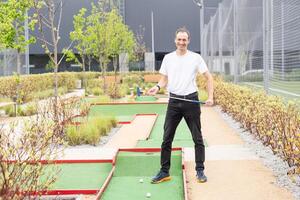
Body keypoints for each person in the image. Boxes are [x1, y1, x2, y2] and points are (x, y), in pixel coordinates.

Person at [147, 27, 214, 184]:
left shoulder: (196, 58)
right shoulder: (168, 58)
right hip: (174, 103)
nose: (182, 42)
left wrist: (210, 97)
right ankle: (164, 171)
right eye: (179, 39)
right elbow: (164, 80)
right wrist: (157, 87)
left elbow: (209, 78)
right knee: (166, 138)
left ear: (188, 41)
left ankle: (200, 170)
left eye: (184, 40)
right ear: (175, 40)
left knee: (197, 138)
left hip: (191, 101)